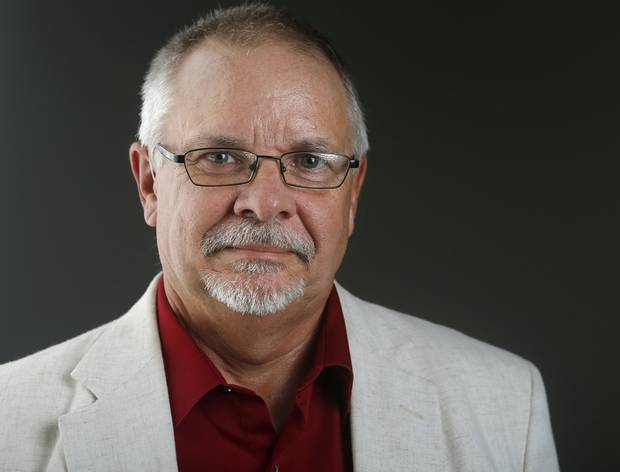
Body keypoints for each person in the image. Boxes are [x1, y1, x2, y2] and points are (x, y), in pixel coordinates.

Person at [0, 4, 559, 471]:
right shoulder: (9, 423)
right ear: (149, 183)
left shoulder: (508, 406)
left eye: (310, 161)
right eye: (220, 157)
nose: (265, 203)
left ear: (353, 193)